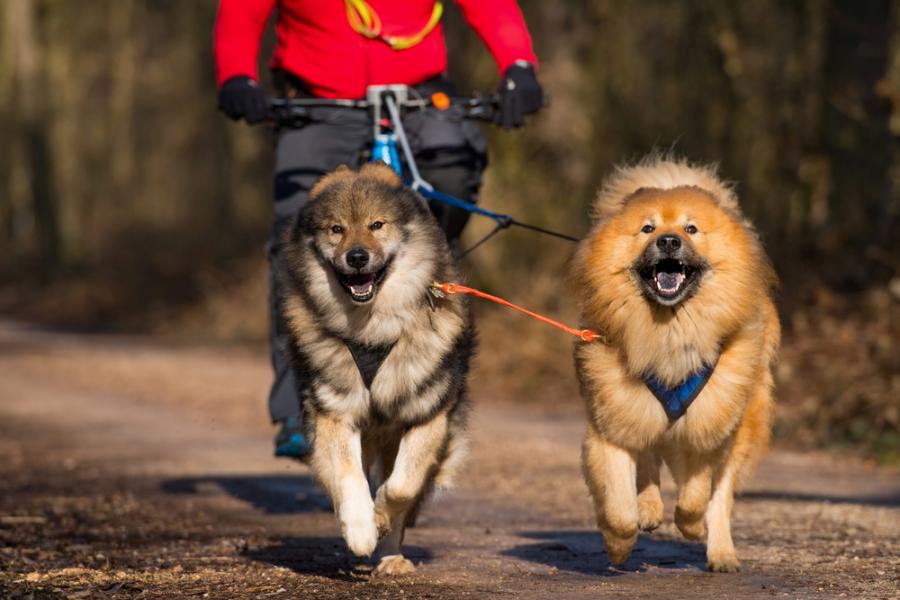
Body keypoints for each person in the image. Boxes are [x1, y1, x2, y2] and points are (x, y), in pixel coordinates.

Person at [214, 0, 543, 459]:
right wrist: (236, 76)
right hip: (319, 103)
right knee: (297, 234)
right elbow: (242, 12)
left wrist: (518, 65)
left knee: (452, 173)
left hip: (419, 98)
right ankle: (298, 404)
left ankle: (432, 370)